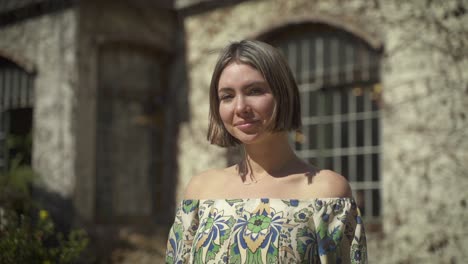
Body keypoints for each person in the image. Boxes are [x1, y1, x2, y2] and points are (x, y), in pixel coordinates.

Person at [166, 40, 367, 263]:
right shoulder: (200, 191)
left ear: (284, 94)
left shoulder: (327, 193)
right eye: (227, 96)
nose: (240, 107)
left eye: (255, 91)